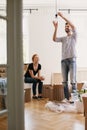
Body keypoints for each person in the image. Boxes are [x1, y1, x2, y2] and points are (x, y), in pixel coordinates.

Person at [53, 12, 77, 101]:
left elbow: (73, 26)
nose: (66, 27)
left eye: (68, 26)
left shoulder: (74, 36)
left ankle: (74, 100)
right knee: (64, 82)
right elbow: (54, 39)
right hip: (63, 61)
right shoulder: (63, 38)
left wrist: (62, 16)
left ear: (70, 27)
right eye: (65, 26)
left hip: (72, 60)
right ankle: (67, 99)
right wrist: (55, 28)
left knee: (73, 82)